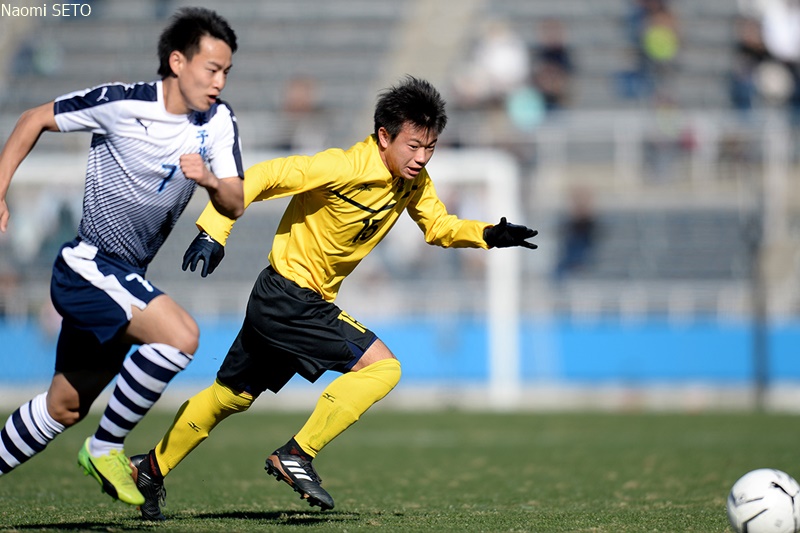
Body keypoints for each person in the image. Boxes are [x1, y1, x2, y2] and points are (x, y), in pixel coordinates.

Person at [129, 75, 537, 520]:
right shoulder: (343, 167)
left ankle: (150, 468)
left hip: (283, 298)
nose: (422, 158)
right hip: (291, 297)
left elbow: (437, 226)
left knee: (231, 397)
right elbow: (265, 175)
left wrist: (489, 234)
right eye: (413, 146)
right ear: (384, 136)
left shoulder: (412, 181)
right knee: (383, 368)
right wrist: (215, 227)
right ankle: (297, 455)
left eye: (430, 147)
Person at [0, 7, 244, 507]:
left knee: (64, 406)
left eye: (226, 72)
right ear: (177, 62)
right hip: (89, 267)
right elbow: (33, 119)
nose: (219, 81)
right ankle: (106, 447)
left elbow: (235, 201)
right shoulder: (121, 103)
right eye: (211, 69)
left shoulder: (219, 122)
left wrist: (211, 182)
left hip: (124, 276)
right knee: (182, 335)